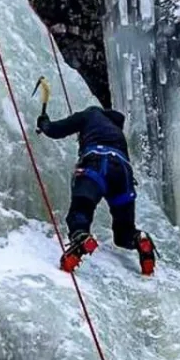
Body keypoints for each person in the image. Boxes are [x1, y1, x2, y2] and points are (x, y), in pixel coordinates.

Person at [36, 106, 157, 275]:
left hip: (97, 164)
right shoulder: (117, 131)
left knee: (80, 211)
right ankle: (140, 239)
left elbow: (56, 130)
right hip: (123, 173)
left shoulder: (91, 113)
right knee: (123, 233)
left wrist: (44, 123)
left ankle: (81, 238)